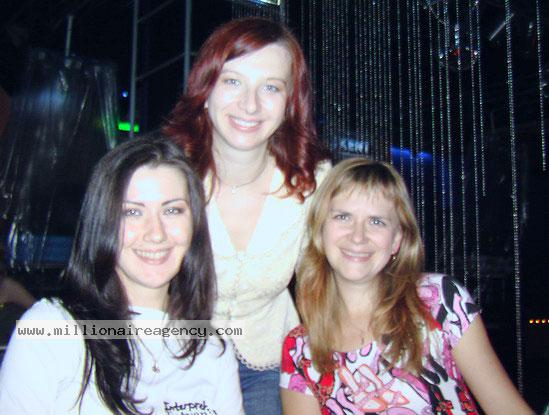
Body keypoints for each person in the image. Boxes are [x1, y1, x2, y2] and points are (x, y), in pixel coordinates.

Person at [0, 137, 243, 414]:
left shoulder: (211, 349)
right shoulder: (50, 333)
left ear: (195, 224)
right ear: (102, 221)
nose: (156, 233)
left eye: (172, 210)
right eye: (133, 212)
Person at [164, 17, 330, 414]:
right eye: (233, 81)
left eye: (270, 87)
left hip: (269, 362)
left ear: (290, 103)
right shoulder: (166, 175)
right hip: (173, 357)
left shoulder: (312, 181)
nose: (250, 105)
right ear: (205, 89)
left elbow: (324, 282)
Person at [280, 158, 534, 415]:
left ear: (397, 240)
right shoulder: (300, 349)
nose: (358, 236)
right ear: (319, 231)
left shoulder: (440, 302)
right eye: (343, 216)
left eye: (376, 221)